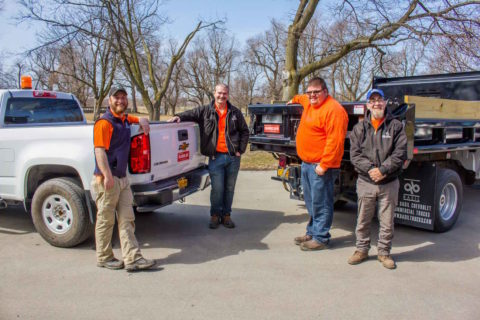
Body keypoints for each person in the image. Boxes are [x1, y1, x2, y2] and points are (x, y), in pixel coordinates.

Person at [92, 85, 155, 272]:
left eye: (123, 97)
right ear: (109, 100)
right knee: (106, 220)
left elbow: (136, 118)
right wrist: (107, 176)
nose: (120, 100)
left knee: (127, 219)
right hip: (107, 180)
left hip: (122, 178)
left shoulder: (124, 119)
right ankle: (104, 257)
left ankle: (132, 258)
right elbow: (99, 151)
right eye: (116, 97)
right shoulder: (104, 123)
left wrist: (143, 120)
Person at [168, 84, 249, 229]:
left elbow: (244, 131)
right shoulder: (206, 111)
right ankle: (215, 215)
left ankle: (226, 215)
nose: (221, 96)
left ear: (228, 94)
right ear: (214, 93)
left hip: (233, 158)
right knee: (217, 189)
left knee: (229, 188)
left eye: (224, 93)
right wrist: (178, 117)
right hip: (215, 157)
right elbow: (191, 113)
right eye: (219, 93)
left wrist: (240, 150)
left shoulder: (235, 112)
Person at [348, 88, 407, 269]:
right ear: (367, 105)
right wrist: (371, 170)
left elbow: (400, 153)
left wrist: (382, 170)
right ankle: (361, 250)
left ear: (385, 102)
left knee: (387, 221)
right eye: (372, 100)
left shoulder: (396, 126)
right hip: (366, 181)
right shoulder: (359, 128)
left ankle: (384, 253)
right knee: (363, 219)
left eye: (379, 99)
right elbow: (355, 155)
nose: (376, 103)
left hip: (389, 182)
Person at [288, 77, 348, 251]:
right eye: (310, 92)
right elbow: (301, 97)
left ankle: (321, 238)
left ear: (325, 92)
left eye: (316, 92)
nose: (312, 95)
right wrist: (293, 99)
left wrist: (324, 165)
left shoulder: (334, 110)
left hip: (321, 166)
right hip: (307, 163)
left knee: (321, 202)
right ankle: (312, 231)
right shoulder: (309, 101)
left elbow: (335, 142)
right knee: (311, 201)